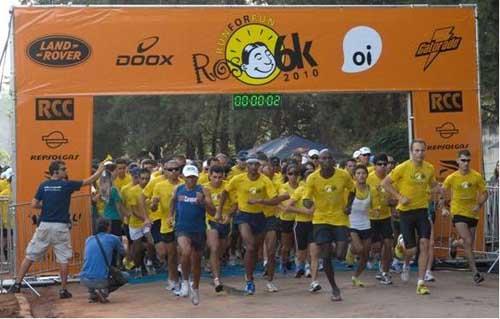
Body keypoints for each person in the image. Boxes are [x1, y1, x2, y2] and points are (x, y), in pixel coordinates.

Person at [9, 160, 105, 297]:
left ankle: (17, 284)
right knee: (63, 259)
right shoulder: (66, 185)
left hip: (45, 225)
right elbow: (88, 181)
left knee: (30, 255)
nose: (66, 171)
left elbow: (34, 204)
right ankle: (63, 290)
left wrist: (47, 206)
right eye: (63, 169)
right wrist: (100, 170)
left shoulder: (43, 185)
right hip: (60, 226)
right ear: (55, 172)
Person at [382, 139, 439, 295]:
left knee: (425, 243)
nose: (420, 153)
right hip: (406, 212)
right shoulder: (403, 167)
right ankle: (404, 255)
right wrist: (399, 197)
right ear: (411, 152)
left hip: (422, 210)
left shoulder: (429, 168)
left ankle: (420, 282)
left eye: (422, 150)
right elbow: (385, 183)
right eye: (417, 150)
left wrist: (439, 188)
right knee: (411, 249)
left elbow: (433, 184)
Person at [220, 155, 280, 295]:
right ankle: (249, 281)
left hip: (260, 216)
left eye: (256, 165)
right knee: (251, 245)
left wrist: (261, 201)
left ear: (259, 166)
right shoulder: (238, 179)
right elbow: (225, 191)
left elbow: (274, 199)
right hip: (243, 216)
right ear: (246, 166)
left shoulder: (265, 180)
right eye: (251, 164)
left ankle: (257, 276)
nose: (253, 167)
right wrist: (220, 210)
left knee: (255, 250)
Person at [303, 149, 355, 301]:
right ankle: (334, 288)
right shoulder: (312, 178)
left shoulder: (343, 175)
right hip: (321, 220)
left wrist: (349, 206)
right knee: (325, 256)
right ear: (318, 161)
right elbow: (306, 198)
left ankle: (334, 247)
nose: (325, 161)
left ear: (333, 160)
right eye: (322, 159)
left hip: (340, 219)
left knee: (340, 255)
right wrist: (307, 203)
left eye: (328, 158)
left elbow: (352, 190)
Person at [441, 149, 488, 284]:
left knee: (468, 243)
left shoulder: (476, 176)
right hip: (458, 212)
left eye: (468, 160)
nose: (466, 163)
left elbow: (485, 193)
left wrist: (479, 204)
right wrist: (444, 207)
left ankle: (454, 243)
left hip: (473, 213)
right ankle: (475, 273)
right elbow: (442, 193)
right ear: (457, 161)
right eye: (463, 160)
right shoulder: (452, 177)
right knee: (467, 241)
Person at [169, 165, 211, 305]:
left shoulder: (203, 190)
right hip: (182, 228)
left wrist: (203, 202)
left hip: (198, 229)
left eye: (193, 177)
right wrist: (170, 216)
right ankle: (185, 282)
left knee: (197, 262)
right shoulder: (178, 189)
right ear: (184, 177)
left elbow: (212, 211)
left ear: (197, 178)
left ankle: (196, 288)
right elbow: (172, 201)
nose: (191, 180)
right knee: (185, 251)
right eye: (188, 177)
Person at [151, 160, 183, 292]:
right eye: (170, 169)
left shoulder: (184, 184)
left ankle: (184, 277)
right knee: (171, 254)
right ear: (164, 171)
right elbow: (153, 208)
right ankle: (172, 279)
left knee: (183, 251)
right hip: (166, 223)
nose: (173, 172)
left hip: (183, 223)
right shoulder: (159, 186)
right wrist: (153, 204)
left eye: (176, 169)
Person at [80, 217, 127, 303]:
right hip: (100, 280)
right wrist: (124, 244)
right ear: (108, 227)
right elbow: (124, 253)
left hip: (84, 279)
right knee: (125, 276)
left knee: (92, 266)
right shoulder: (113, 238)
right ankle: (104, 292)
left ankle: (92, 293)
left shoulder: (89, 239)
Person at [204, 165, 235, 292]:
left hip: (226, 221)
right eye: (214, 177)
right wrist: (216, 213)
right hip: (211, 220)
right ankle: (217, 279)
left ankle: (211, 262)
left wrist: (228, 215)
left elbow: (236, 204)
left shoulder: (228, 186)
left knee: (222, 248)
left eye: (220, 177)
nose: (217, 180)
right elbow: (208, 205)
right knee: (214, 247)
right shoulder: (205, 188)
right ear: (209, 176)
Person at [367, 153, 394, 285]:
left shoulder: (392, 179)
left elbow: (396, 198)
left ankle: (385, 272)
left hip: (386, 216)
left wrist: (393, 203)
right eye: (380, 164)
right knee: (376, 247)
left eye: (385, 164)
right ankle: (377, 260)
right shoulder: (368, 179)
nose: (383, 167)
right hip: (371, 218)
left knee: (388, 244)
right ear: (374, 166)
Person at [349, 165, 375, 287]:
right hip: (352, 224)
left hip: (366, 224)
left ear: (367, 175)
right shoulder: (350, 189)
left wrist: (375, 211)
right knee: (358, 249)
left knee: (365, 254)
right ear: (354, 176)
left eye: (363, 173)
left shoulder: (371, 189)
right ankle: (350, 249)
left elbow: (374, 206)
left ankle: (355, 276)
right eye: (358, 173)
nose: (361, 176)